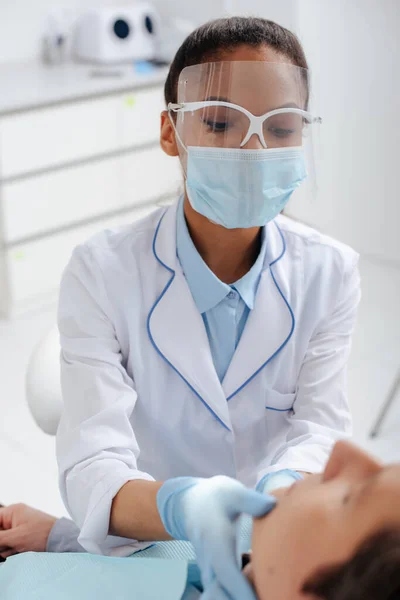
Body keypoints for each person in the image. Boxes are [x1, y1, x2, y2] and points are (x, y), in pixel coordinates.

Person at [52, 15, 361, 600]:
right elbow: (92, 467)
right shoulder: (101, 272)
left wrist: (280, 493)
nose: (253, 148)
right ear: (171, 132)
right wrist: (180, 504)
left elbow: (319, 428)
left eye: (281, 126)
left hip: (273, 541)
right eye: (220, 122)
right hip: (142, 539)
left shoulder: (331, 272)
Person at [1, 441, 400, 600]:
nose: (342, 452)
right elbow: (143, 568)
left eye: (352, 497)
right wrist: (57, 539)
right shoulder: (240, 538)